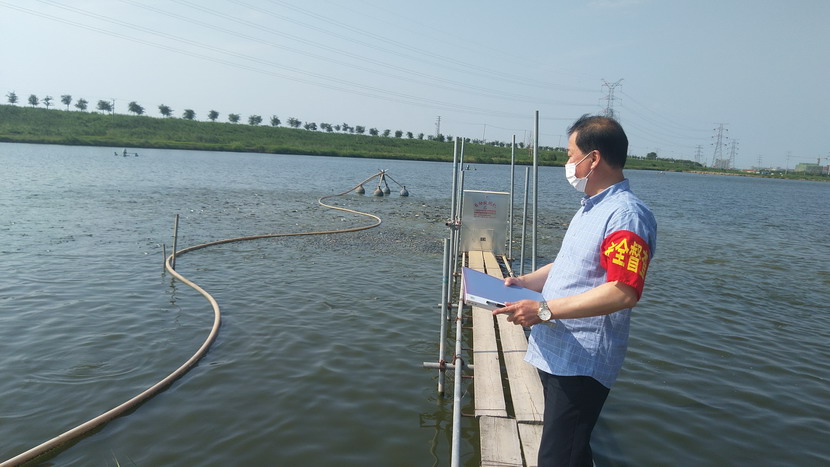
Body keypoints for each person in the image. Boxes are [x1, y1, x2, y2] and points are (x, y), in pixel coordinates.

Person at [493, 114, 657, 466]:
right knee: (570, 453)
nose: (568, 164)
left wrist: (543, 310)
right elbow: (569, 264)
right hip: (558, 352)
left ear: (593, 159)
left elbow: (623, 291)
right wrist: (525, 282)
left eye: (571, 155)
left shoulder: (626, 215)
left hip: (582, 362)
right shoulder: (592, 207)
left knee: (558, 458)